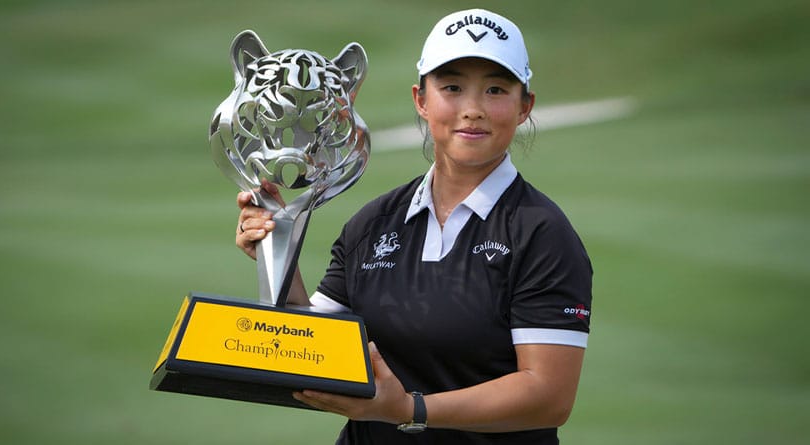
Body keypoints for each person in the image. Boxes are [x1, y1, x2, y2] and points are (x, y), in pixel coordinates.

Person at [235, 8, 592, 444]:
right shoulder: (372, 224)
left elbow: (549, 396)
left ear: (524, 107)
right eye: (452, 88)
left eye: (496, 89)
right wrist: (278, 249)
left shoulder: (541, 234)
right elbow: (312, 350)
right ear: (421, 100)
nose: (473, 109)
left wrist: (410, 409)